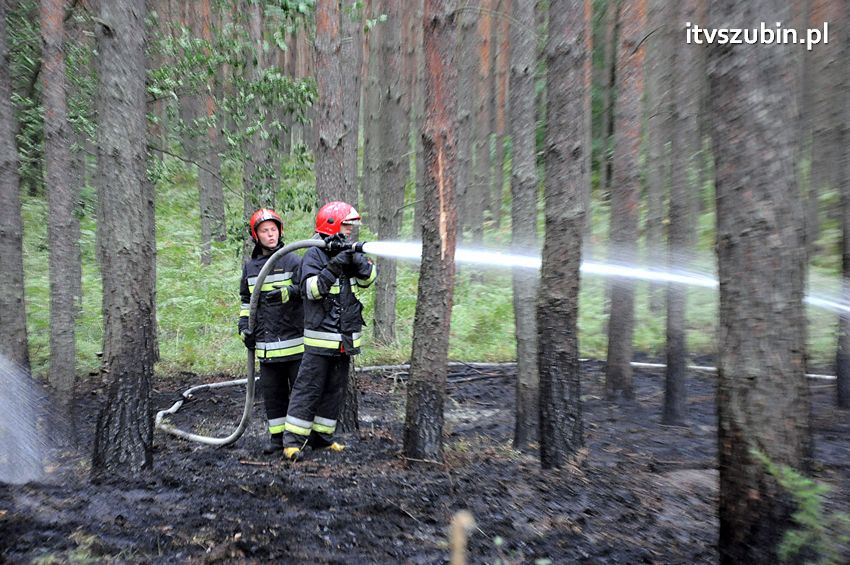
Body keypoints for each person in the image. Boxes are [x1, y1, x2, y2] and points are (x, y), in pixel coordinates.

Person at [282, 201, 377, 462]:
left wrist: (357, 260)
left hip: (344, 338)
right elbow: (311, 291)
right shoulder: (313, 254)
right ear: (331, 225)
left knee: (334, 391)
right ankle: (292, 443)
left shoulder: (348, 251)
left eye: (351, 225)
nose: (350, 230)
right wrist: (334, 266)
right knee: (308, 389)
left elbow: (368, 280)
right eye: (346, 225)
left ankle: (322, 439)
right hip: (320, 338)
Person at [238, 208, 304, 455]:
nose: (270, 235)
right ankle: (277, 439)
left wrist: (289, 293)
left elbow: (308, 290)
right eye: (265, 231)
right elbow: (247, 302)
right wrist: (244, 329)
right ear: (256, 236)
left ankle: (297, 439)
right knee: (273, 395)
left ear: (280, 231)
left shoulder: (293, 261)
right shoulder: (250, 268)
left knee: (299, 394)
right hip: (266, 348)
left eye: (273, 230)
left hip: (295, 344)